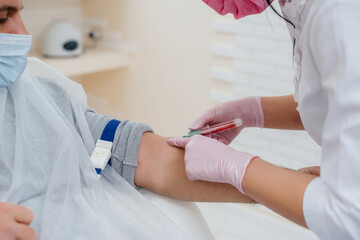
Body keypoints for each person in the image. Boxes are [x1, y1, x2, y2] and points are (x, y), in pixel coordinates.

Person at [0, 0, 258, 239]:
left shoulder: (40, 95)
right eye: (2, 18)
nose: (23, 34)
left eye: (21, 13)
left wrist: (268, 183)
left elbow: (144, 155)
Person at [168, 0, 360, 239]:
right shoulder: (303, 9)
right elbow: (332, 100)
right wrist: (252, 112)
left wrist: (235, 167)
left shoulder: (337, 14)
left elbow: (350, 216)